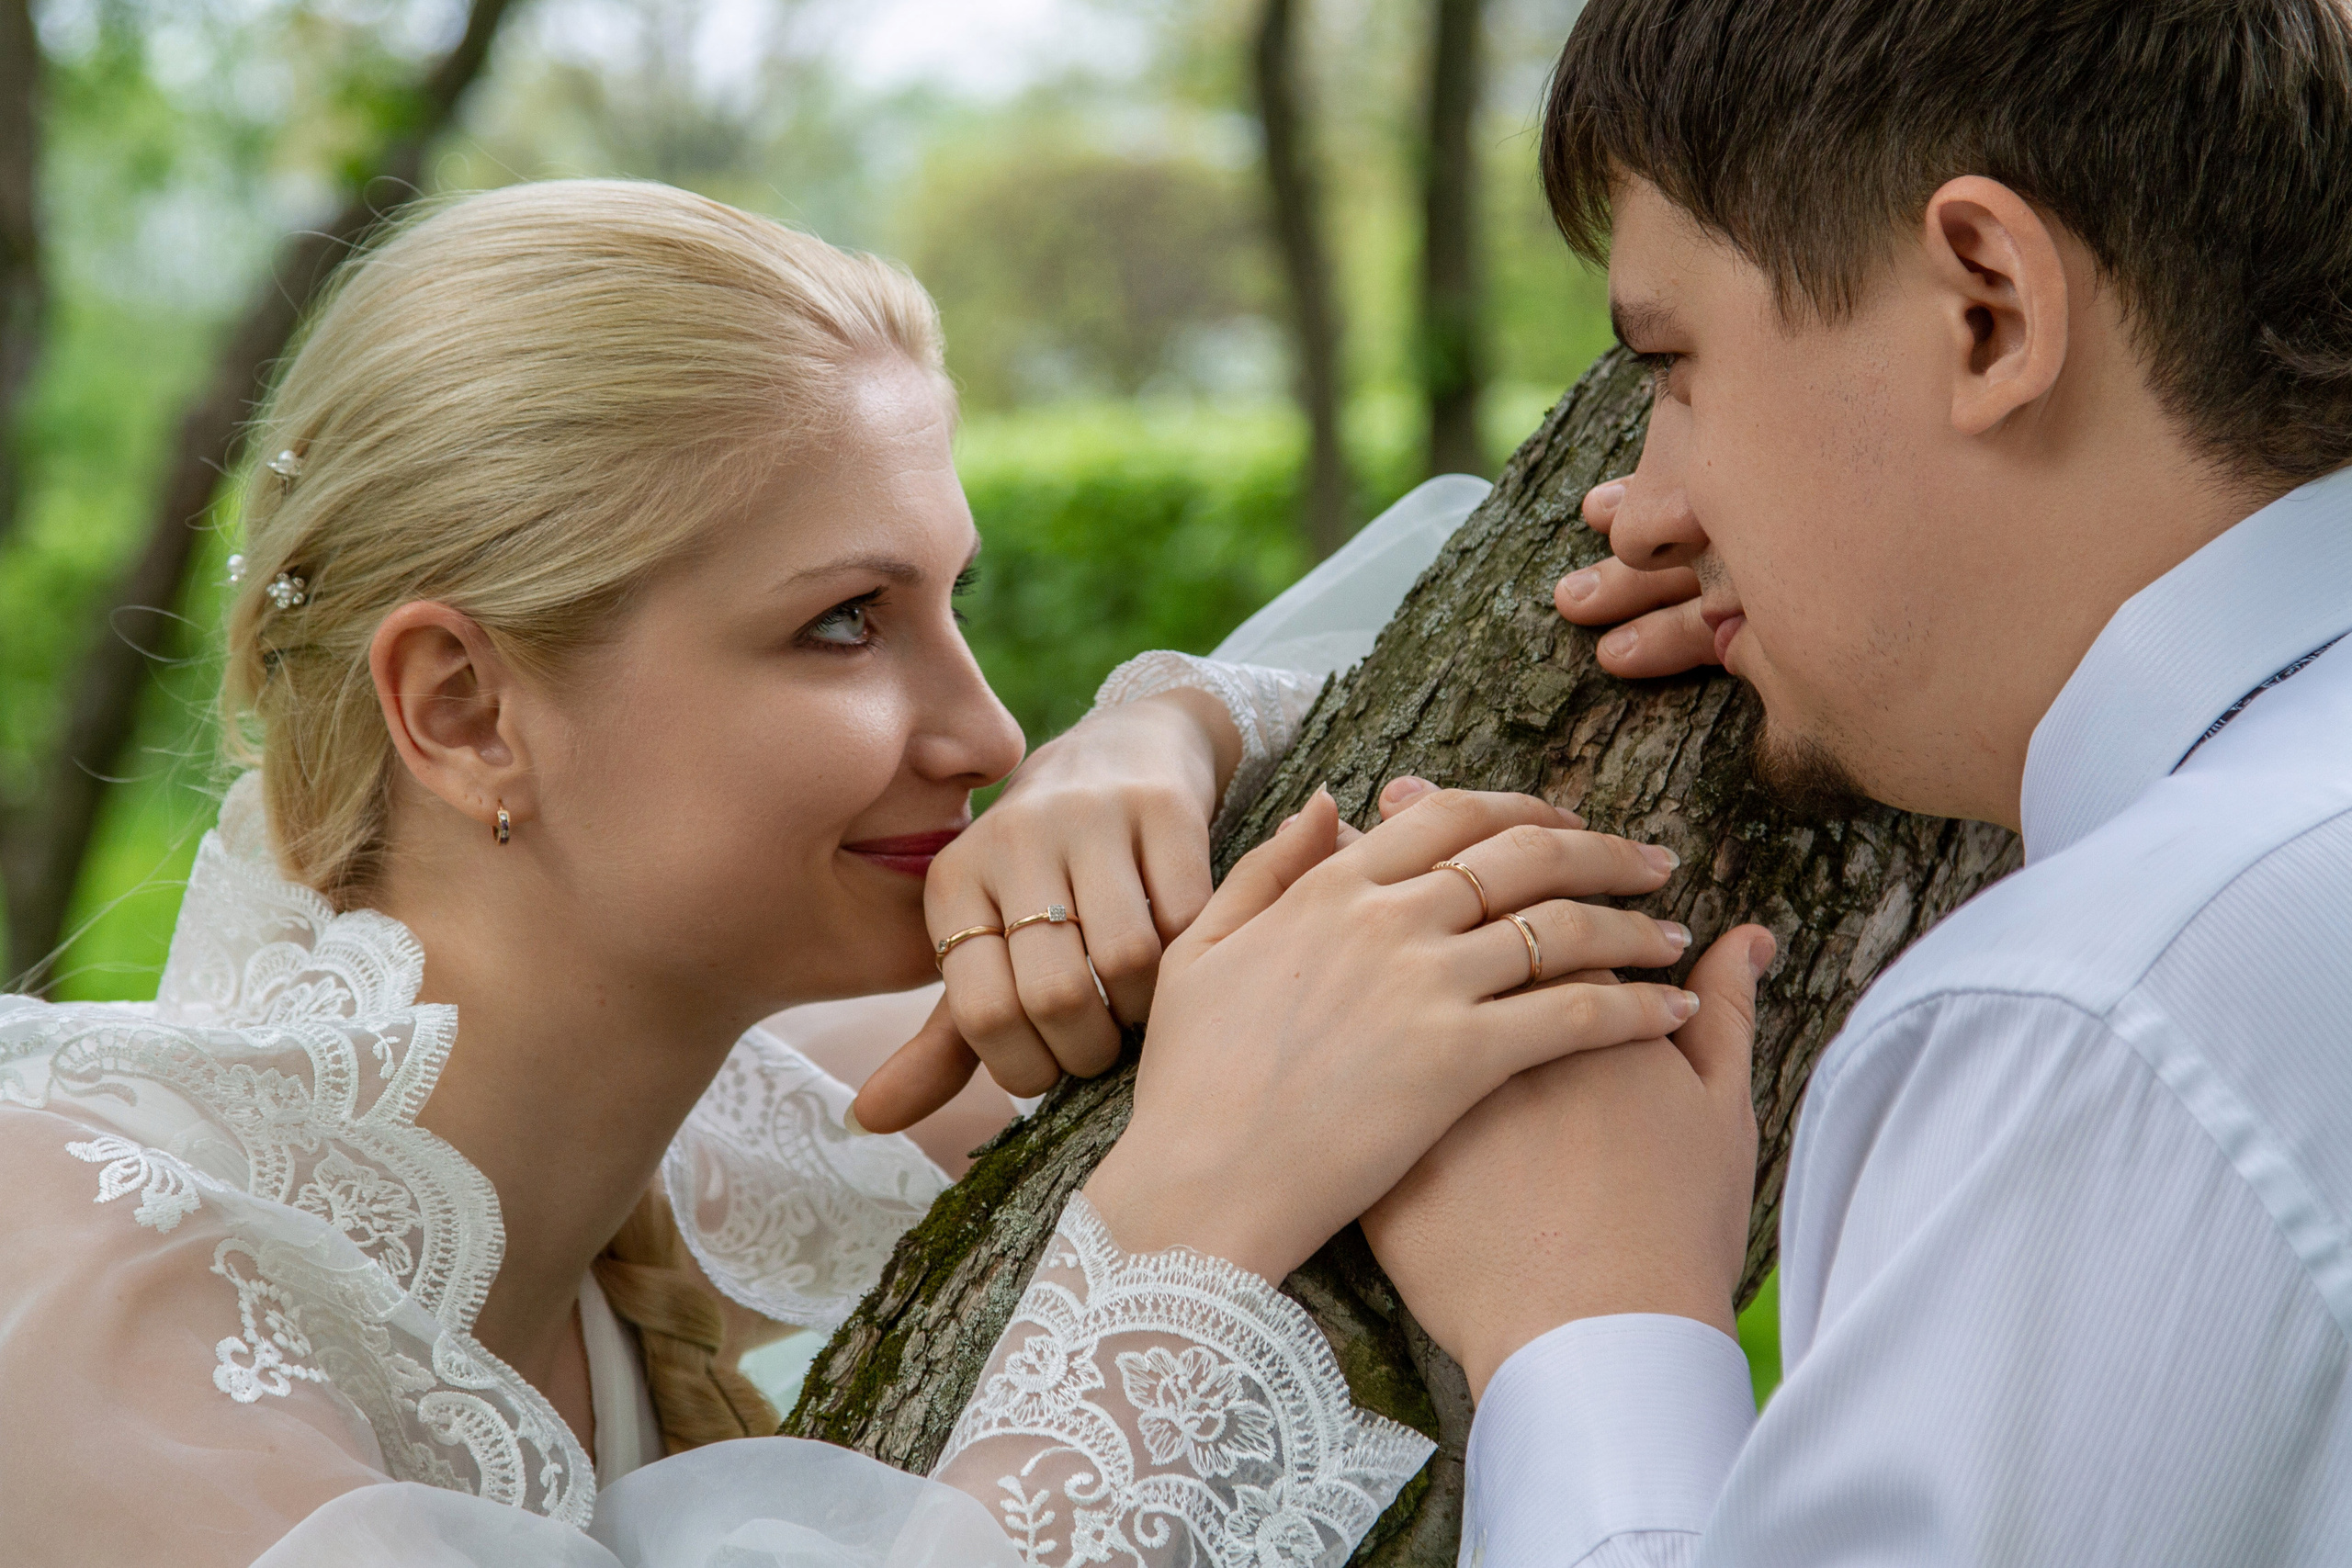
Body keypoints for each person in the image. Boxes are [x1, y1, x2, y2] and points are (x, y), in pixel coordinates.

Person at [0, 178, 1703, 1567]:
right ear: (464, 711)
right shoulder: (74, 1256)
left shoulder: (738, 1142)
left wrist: (1153, 732)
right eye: (842, 624)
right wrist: (1193, 1220)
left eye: (949, 604)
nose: (982, 729)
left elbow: (1424, 674)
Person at [1348, 2, 2352, 1562]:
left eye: (1672, 369)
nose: (1649, 506)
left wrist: (1592, 1323)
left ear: (1988, 312)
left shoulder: (2104, 1017)